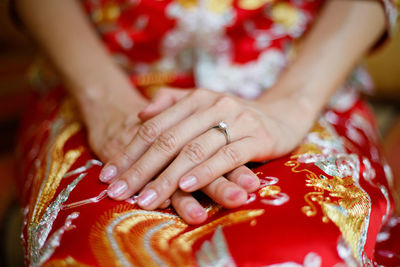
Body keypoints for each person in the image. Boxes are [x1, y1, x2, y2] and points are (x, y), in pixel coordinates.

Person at [14, 0, 400, 266]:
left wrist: (293, 104)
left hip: (302, 77)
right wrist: (100, 98)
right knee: (96, 246)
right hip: (103, 78)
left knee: (310, 246)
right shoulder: (101, 97)